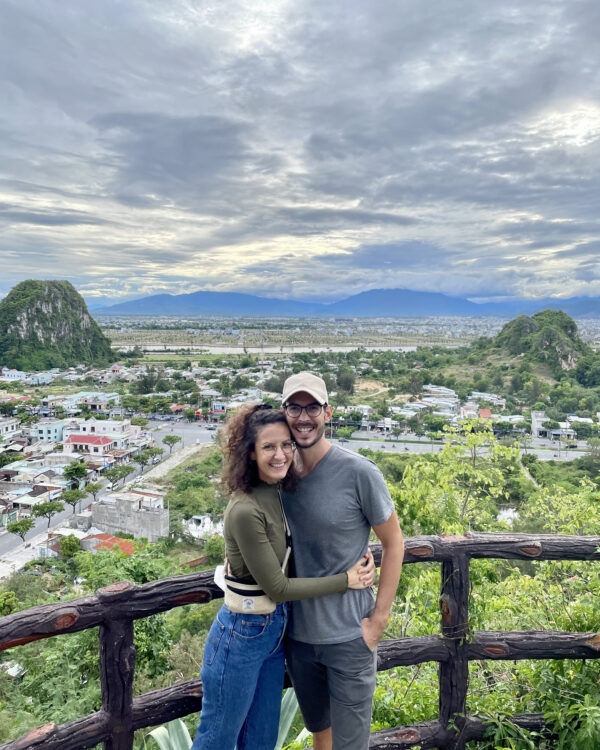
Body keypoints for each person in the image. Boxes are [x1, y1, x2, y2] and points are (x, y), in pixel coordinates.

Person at [190, 404, 375, 750]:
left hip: (275, 632)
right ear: (250, 452)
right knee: (216, 739)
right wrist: (345, 579)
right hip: (242, 634)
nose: (280, 454)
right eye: (269, 447)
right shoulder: (245, 508)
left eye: (286, 444)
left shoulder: (278, 492)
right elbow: (277, 586)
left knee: (260, 740)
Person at [281, 372, 404, 750]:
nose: (304, 417)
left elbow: (395, 542)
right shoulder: (277, 473)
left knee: (351, 745)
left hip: (350, 636)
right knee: (322, 737)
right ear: (283, 412)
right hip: (297, 638)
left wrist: (378, 622)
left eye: (313, 407)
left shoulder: (359, 472)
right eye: (295, 408)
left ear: (328, 412)